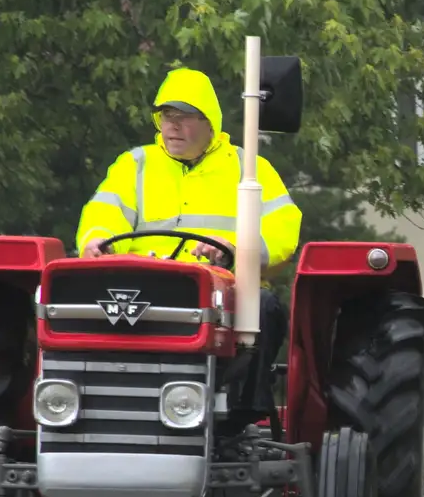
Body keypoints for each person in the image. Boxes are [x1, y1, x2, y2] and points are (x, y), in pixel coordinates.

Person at [74, 66, 303, 419]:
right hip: (139, 289)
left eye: (185, 117)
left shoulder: (249, 169)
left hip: (220, 296)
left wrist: (230, 247)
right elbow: (103, 212)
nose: (173, 126)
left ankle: (242, 414)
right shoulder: (134, 165)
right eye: (167, 116)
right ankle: (83, 401)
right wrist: (95, 240)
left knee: (265, 306)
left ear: (210, 121)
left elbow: (283, 228)